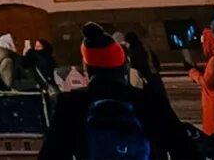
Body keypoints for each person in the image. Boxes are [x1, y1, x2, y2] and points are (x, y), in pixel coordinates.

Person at [39, 25, 199, 160]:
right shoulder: (150, 101)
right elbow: (185, 151)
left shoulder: (71, 103)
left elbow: (52, 154)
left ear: (87, 69)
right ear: (123, 67)